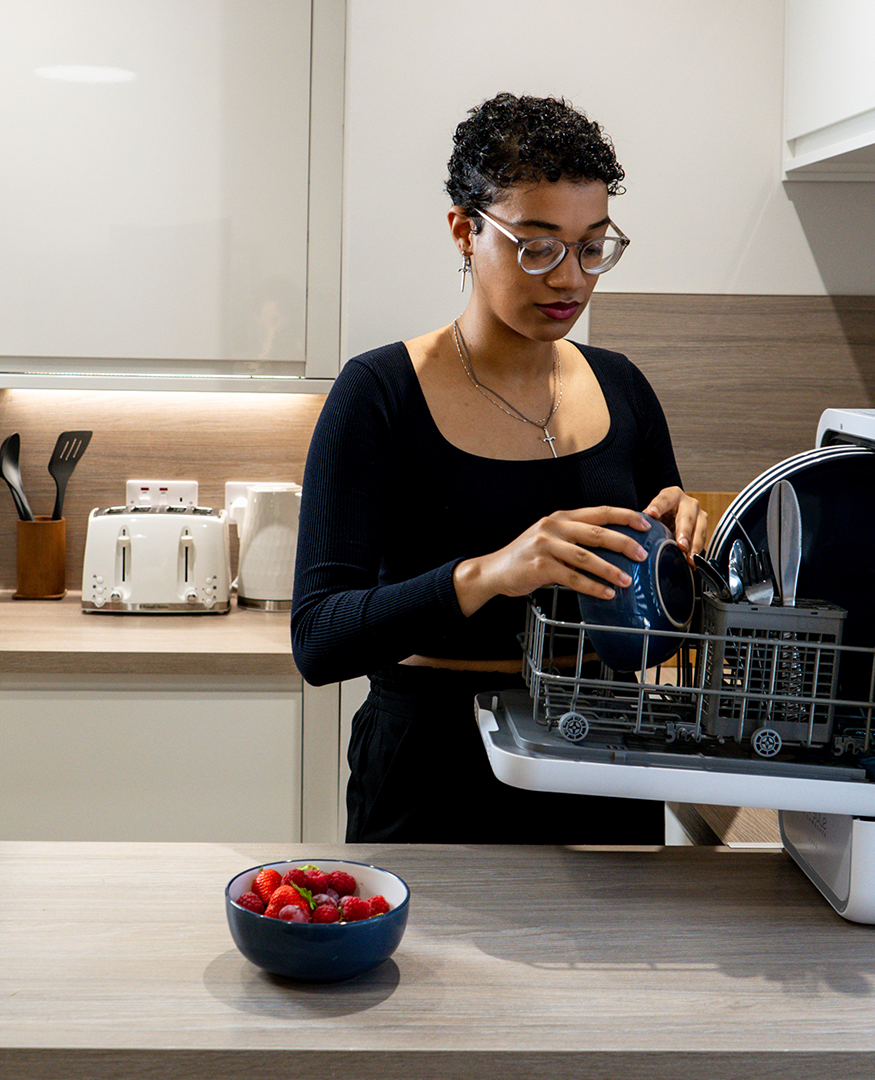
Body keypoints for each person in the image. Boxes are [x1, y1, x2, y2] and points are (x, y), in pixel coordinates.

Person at [291, 92, 706, 843]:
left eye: (592, 246)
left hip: (605, 761)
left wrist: (687, 564)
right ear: (464, 230)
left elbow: (662, 634)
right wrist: (490, 573)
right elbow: (320, 640)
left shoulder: (625, 389)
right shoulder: (378, 394)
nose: (570, 278)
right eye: (538, 245)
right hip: (432, 772)